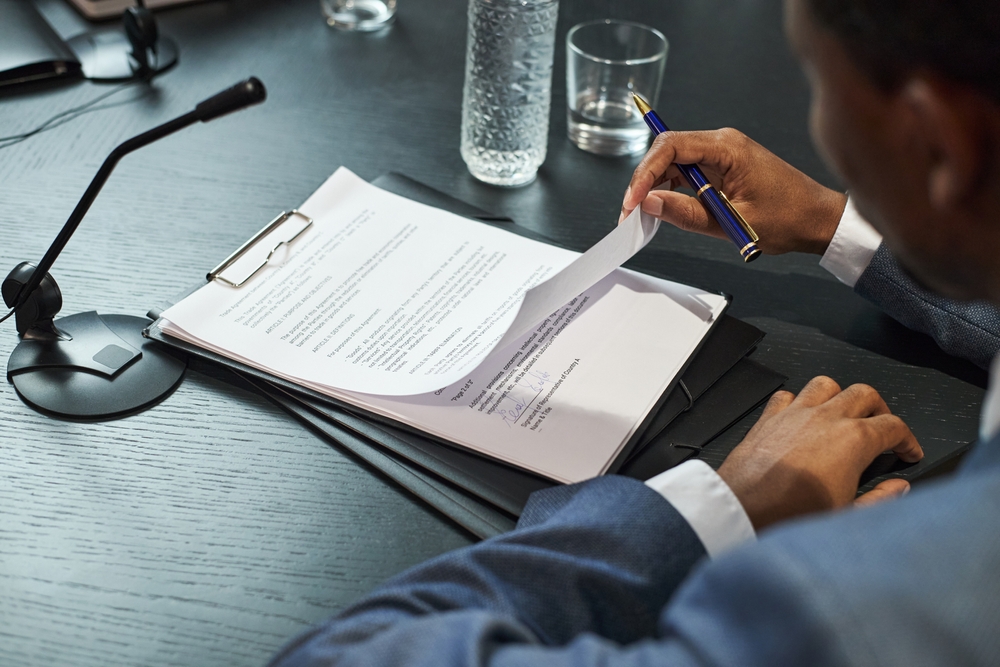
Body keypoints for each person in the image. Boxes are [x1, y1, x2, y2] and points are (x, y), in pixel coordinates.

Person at [269, 0, 1000, 664]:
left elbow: (340, 654)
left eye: (814, 82)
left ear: (936, 142)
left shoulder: (846, 607)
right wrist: (831, 219)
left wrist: (714, 510)